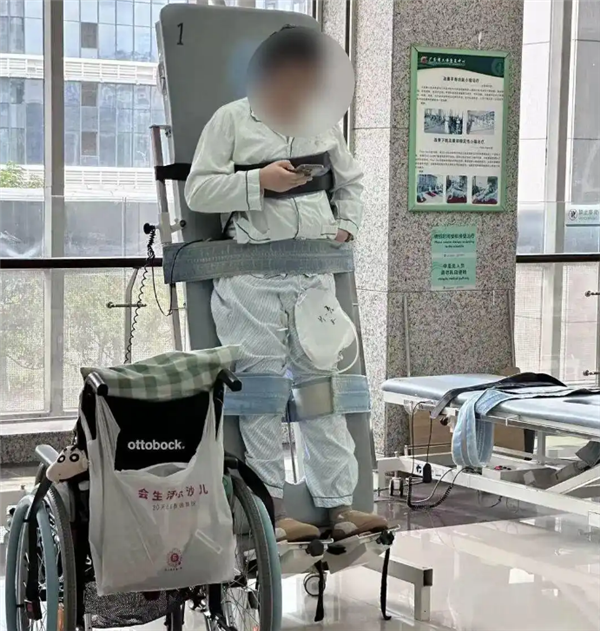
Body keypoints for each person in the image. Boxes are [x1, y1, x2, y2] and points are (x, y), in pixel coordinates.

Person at [184, 26, 388, 543]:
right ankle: (270, 514)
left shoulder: (322, 124)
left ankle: (339, 506)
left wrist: (348, 226)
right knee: (262, 397)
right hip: (250, 278)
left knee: (323, 393)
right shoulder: (232, 119)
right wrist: (259, 182)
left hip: (312, 277)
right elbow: (199, 190)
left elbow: (352, 182)